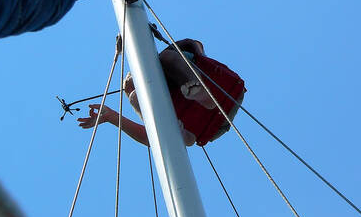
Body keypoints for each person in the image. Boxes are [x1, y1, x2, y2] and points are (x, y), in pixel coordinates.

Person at [78, 39, 246, 147]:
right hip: (200, 125)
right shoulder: (160, 102)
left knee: (167, 57)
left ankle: (199, 90)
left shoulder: (168, 59)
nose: (132, 86)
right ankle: (182, 133)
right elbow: (151, 138)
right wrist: (111, 116)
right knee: (136, 98)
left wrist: (130, 41)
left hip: (217, 86)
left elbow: (194, 44)